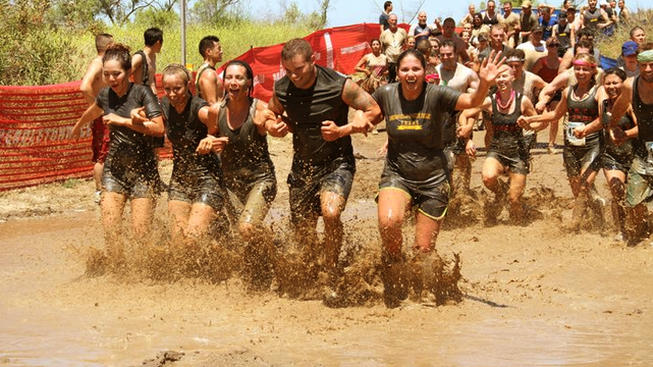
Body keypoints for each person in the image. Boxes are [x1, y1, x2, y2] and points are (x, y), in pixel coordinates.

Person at [372, 48, 505, 307]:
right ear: (397, 72)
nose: (410, 74)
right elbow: (365, 111)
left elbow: (470, 102)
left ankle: (421, 292)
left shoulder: (438, 93)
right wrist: (354, 124)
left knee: (423, 251)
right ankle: (393, 271)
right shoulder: (386, 94)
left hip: (433, 179)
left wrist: (485, 84)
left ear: (424, 72)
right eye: (405, 69)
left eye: (416, 69)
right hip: (397, 174)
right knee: (389, 223)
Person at [261, 39, 382, 277]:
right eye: (288, 71)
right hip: (303, 165)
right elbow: (269, 112)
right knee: (303, 230)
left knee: (331, 212)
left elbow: (374, 110)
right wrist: (272, 126)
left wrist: (345, 129)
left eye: (299, 70)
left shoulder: (339, 84)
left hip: (337, 162)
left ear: (312, 61)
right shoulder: (283, 88)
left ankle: (331, 267)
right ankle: (312, 267)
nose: (294, 76)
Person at [71, 43, 165, 264]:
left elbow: (159, 128)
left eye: (116, 74)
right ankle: (118, 275)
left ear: (128, 72)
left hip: (143, 172)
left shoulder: (142, 93)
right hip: (114, 170)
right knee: (111, 232)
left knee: (141, 235)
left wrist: (124, 121)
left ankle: (143, 273)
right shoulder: (105, 94)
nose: (112, 79)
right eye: (107, 75)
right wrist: (78, 125)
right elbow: (95, 109)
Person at [201, 60, 277, 288]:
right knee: (243, 233)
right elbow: (211, 134)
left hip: (261, 180)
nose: (233, 82)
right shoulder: (216, 111)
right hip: (231, 184)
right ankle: (264, 265)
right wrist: (210, 142)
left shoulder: (260, 109)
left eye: (239, 78)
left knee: (246, 227)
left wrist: (275, 127)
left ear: (249, 83)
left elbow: (272, 125)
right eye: (229, 78)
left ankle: (276, 256)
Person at [520, 53, 604, 232]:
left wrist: (587, 129)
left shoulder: (599, 91)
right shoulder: (568, 92)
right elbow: (556, 115)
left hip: (592, 144)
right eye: (578, 69)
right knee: (576, 187)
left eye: (585, 69)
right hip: (571, 146)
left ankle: (574, 225)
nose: (581, 72)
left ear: (592, 70)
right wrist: (532, 120)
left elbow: (603, 119)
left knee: (583, 185)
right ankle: (596, 212)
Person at [460, 66, 540, 225]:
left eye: (505, 76)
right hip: (496, 149)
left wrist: (530, 125)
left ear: (512, 78)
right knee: (488, 177)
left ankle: (518, 224)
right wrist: (467, 132)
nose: (501, 80)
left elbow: (539, 122)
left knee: (514, 200)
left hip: (518, 153)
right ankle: (501, 192)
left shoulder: (522, 101)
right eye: (498, 77)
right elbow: (465, 113)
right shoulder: (490, 100)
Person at [156, 64, 225, 244]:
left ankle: (219, 233)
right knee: (179, 242)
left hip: (208, 180)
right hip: (180, 181)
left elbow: (218, 119)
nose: (172, 94)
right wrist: (137, 115)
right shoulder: (164, 105)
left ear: (188, 86)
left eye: (177, 89)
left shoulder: (198, 108)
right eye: (168, 89)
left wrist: (211, 137)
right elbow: (151, 117)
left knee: (192, 240)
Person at [606, 43, 653, 244]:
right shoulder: (630, 85)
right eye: (644, 65)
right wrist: (614, 127)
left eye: (652, 65)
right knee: (633, 201)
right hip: (642, 149)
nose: (648, 70)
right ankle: (643, 227)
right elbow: (618, 109)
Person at [598, 68, 638, 241]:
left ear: (623, 84)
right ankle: (621, 230)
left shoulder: (631, 104)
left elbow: (642, 128)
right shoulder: (604, 104)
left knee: (636, 197)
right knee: (617, 190)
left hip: (635, 154)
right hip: (612, 155)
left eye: (615, 82)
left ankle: (639, 226)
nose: (612, 86)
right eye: (608, 83)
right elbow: (602, 124)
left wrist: (626, 135)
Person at [437, 40, 480, 195]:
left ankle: (464, 191)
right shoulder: (435, 72)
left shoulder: (468, 74)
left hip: (460, 118)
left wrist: (469, 125)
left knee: (462, 157)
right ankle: (447, 191)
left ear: (456, 54)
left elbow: (478, 101)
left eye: (449, 54)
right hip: (439, 120)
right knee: (441, 157)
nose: (446, 57)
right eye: (442, 55)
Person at [79, 33, 113, 204]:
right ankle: (99, 192)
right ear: (107, 47)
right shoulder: (97, 63)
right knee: (102, 155)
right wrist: (96, 108)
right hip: (103, 116)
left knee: (108, 153)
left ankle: (108, 189)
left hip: (108, 115)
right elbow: (84, 87)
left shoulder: (105, 64)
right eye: (112, 45)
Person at [505, 49, 548, 155]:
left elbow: (549, 88)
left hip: (525, 124)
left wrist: (543, 100)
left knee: (521, 157)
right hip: (505, 124)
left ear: (523, 64)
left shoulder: (531, 78)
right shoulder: (501, 78)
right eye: (510, 66)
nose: (514, 69)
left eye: (517, 66)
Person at [532, 38, 562, 151]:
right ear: (547, 47)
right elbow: (533, 75)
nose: (553, 47)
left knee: (555, 117)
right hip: (542, 90)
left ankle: (551, 143)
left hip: (556, 90)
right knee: (540, 117)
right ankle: (532, 136)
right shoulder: (541, 61)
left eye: (556, 45)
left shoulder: (561, 61)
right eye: (551, 45)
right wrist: (535, 90)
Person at [131, 27, 163, 95]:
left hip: (152, 95)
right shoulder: (138, 57)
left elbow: (151, 78)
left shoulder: (153, 56)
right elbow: (125, 75)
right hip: (140, 96)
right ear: (158, 42)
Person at [195, 35, 224, 105]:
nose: (221, 52)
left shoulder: (209, 71)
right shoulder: (208, 74)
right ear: (208, 51)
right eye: (219, 49)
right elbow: (212, 103)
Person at [380, 14, 407, 83]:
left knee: (401, 81)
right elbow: (381, 49)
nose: (394, 22)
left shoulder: (402, 32)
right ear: (388, 21)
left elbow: (406, 45)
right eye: (392, 20)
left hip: (400, 62)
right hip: (389, 62)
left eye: (395, 20)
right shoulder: (384, 34)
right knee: (390, 82)